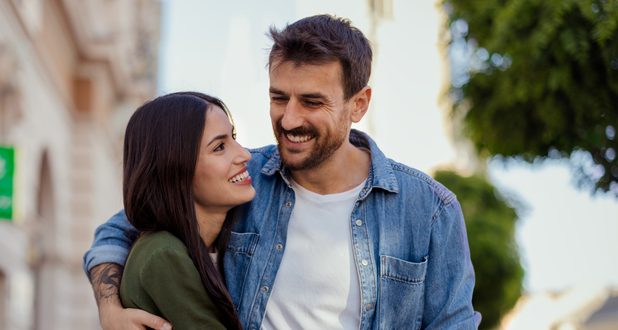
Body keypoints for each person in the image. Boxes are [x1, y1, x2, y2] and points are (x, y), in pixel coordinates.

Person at [85, 15, 481, 330]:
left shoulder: (429, 210)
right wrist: (109, 307)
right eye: (279, 97)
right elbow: (122, 230)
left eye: (311, 101)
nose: (289, 119)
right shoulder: (240, 179)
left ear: (358, 105)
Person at [97, 92, 253, 330]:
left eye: (234, 138)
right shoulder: (164, 253)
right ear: (177, 172)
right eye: (220, 147)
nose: (245, 154)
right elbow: (109, 233)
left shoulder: (193, 248)